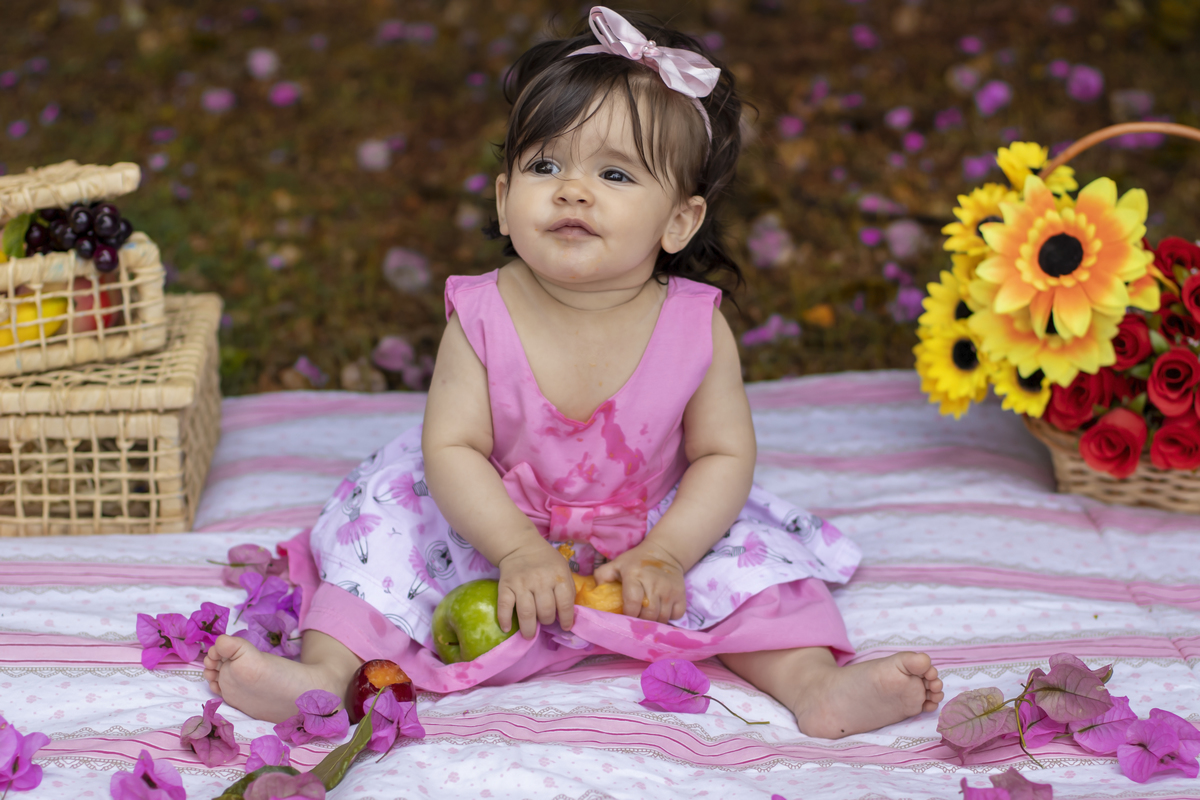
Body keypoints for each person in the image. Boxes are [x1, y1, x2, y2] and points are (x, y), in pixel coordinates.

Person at [204, 6, 943, 739]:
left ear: (679, 223)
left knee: (758, 573)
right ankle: (323, 675)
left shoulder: (695, 326)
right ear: (504, 200)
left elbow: (723, 454)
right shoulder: (482, 314)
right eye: (545, 166)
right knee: (383, 547)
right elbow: (453, 448)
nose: (572, 190)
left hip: (653, 525)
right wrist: (515, 549)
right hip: (486, 518)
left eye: (614, 173)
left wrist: (669, 552)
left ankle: (814, 685)